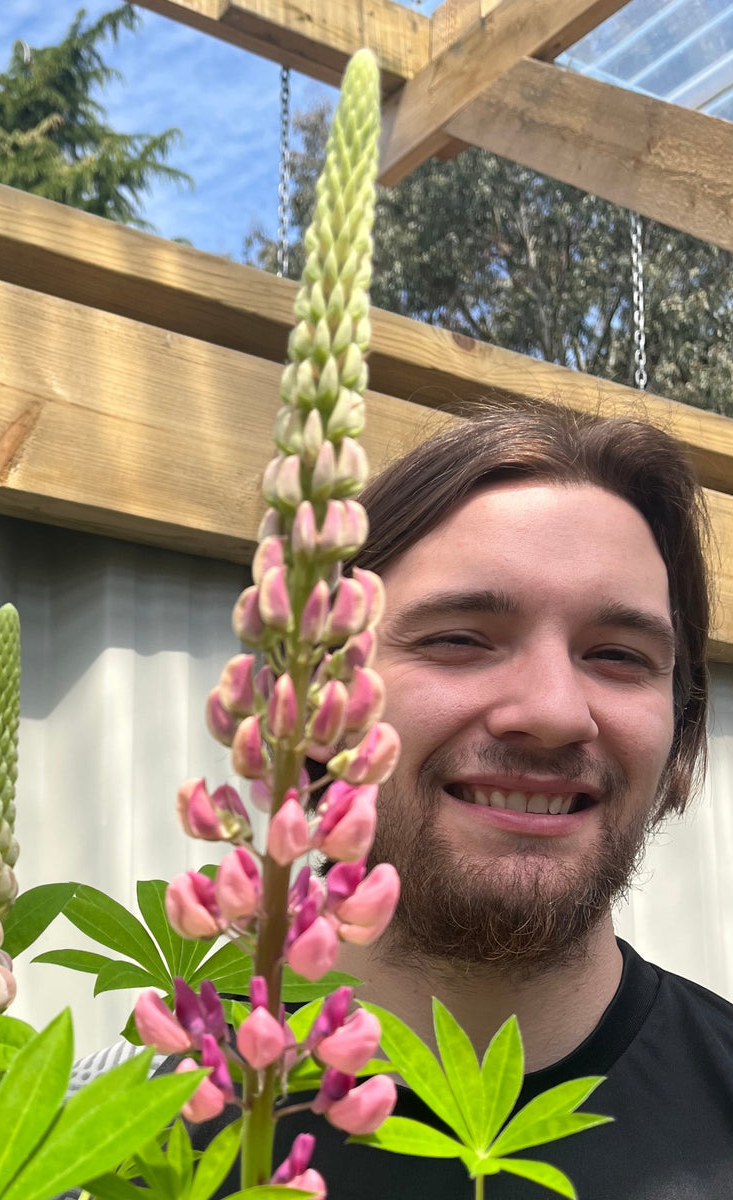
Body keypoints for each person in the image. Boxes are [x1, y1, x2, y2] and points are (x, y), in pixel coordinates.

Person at [206, 401, 733, 1198]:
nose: (554, 711)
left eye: (619, 655)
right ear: (314, 704)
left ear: (680, 724)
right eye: (458, 638)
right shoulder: (111, 1126)